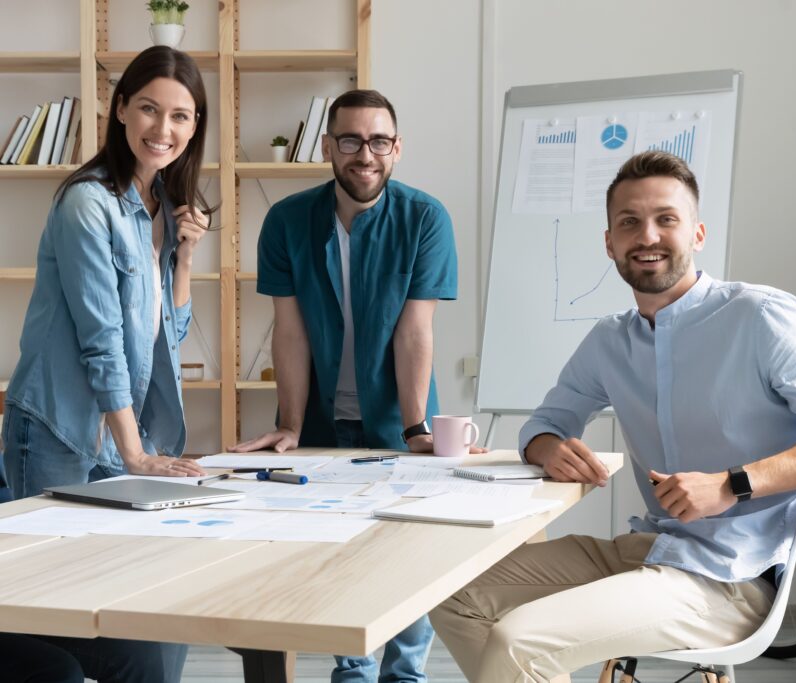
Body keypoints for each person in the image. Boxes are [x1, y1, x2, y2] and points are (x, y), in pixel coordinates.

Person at [430, 151, 796, 682]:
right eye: (629, 223)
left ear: (697, 234)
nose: (647, 236)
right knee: (455, 596)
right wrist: (547, 445)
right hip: (650, 549)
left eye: (666, 219)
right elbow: (546, 421)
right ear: (610, 243)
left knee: (518, 639)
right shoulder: (610, 339)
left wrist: (732, 484)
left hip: (731, 577)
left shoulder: (761, 316)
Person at [230, 89, 459, 682]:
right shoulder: (287, 220)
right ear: (328, 147)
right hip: (323, 424)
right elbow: (290, 331)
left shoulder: (425, 218)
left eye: (379, 141)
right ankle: (352, 671)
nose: (365, 154)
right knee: (340, 553)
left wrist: (414, 426)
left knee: (407, 551)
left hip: (400, 419)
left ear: (396, 148)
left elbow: (415, 331)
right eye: (351, 140)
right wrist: (288, 422)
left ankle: (404, 676)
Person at [1, 45, 212, 682]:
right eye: (148, 108)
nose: (163, 129)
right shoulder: (88, 204)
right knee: (57, 600)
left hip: (120, 435)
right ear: (120, 109)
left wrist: (185, 258)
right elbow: (103, 343)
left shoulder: (159, 210)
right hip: (63, 430)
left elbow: (163, 339)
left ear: (195, 126)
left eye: (180, 116)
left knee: (151, 617)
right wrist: (136, 456)